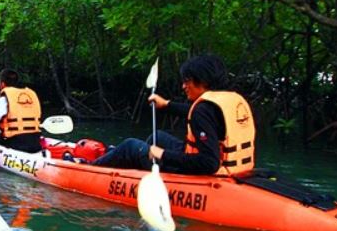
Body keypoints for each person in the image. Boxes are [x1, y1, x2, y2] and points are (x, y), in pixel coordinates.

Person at [92, 55, 255, 176]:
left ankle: (90, 168)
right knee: (158, 137)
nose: (183, 86)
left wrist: (162, 154)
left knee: (130, 145)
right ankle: (137, 172)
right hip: (236, 169)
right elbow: (198, 115)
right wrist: (167, 104)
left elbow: (209, 163)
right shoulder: (228, 100)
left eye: (187, 81)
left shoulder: (204, 110)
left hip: (204, 172)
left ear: (202, 81)